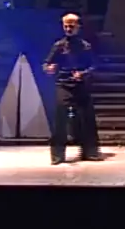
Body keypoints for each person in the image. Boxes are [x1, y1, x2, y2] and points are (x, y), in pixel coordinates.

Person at [43, 13, 101, 165]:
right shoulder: (59, 45)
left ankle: (90, 151)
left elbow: (94, 66)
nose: (68, 29)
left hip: (81, 84)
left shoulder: (85, 46)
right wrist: (48, 68)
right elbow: (47, 63)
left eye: (71, 26)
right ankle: (57, 155)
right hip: (63, 84)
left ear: (78, 27)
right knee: (60, 117)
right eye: (66, 26)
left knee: (87, 117)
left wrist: (83, 74)